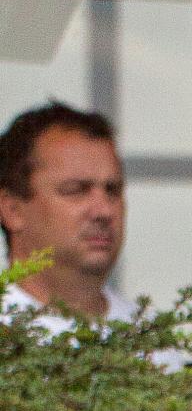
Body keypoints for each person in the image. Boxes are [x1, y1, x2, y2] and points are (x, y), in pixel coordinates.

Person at [0, 101, 135, 332]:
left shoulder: (154, 339)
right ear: (12, 209)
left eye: (112, 190)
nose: (104, 211)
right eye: (76, 190)